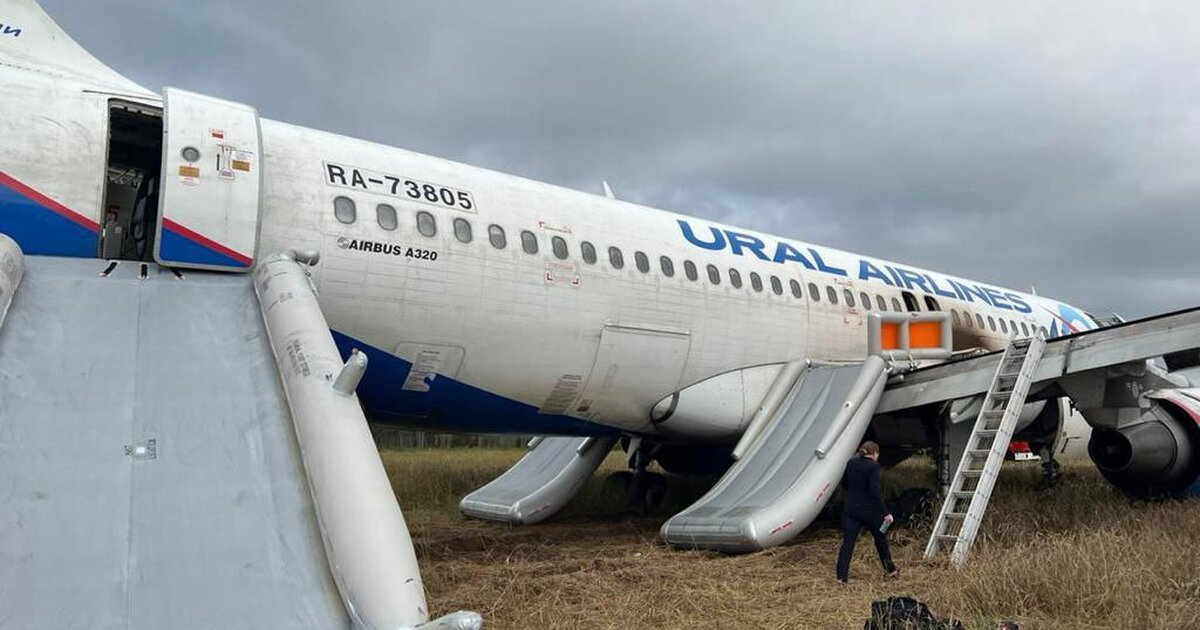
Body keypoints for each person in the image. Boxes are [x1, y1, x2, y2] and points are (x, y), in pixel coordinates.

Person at [836, 440, 898, 584]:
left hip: (851, 510)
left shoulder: (851, 463)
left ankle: (841, 577)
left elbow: (844, 483)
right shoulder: (874, 467)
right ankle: (890, 570)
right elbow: (875, 491)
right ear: (875, 453)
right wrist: (885, 513)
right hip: (871, 512)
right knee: (880, 540)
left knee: (848, 544)